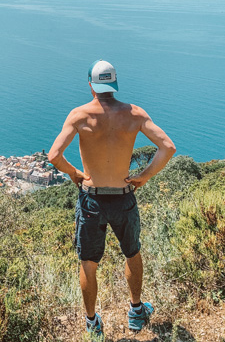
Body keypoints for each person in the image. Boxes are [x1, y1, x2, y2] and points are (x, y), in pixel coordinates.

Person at [48, 59, 176, 340]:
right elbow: (167, 147)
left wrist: (75, 174)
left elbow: (54, 155)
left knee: (88, 263)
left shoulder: (79, 115)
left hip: (91, 199)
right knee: (132, 252)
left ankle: (92, 323)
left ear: (91, 85)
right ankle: (135, 312)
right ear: (114, 84)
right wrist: (143, 176)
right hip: (123, 198)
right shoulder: (134, 114)